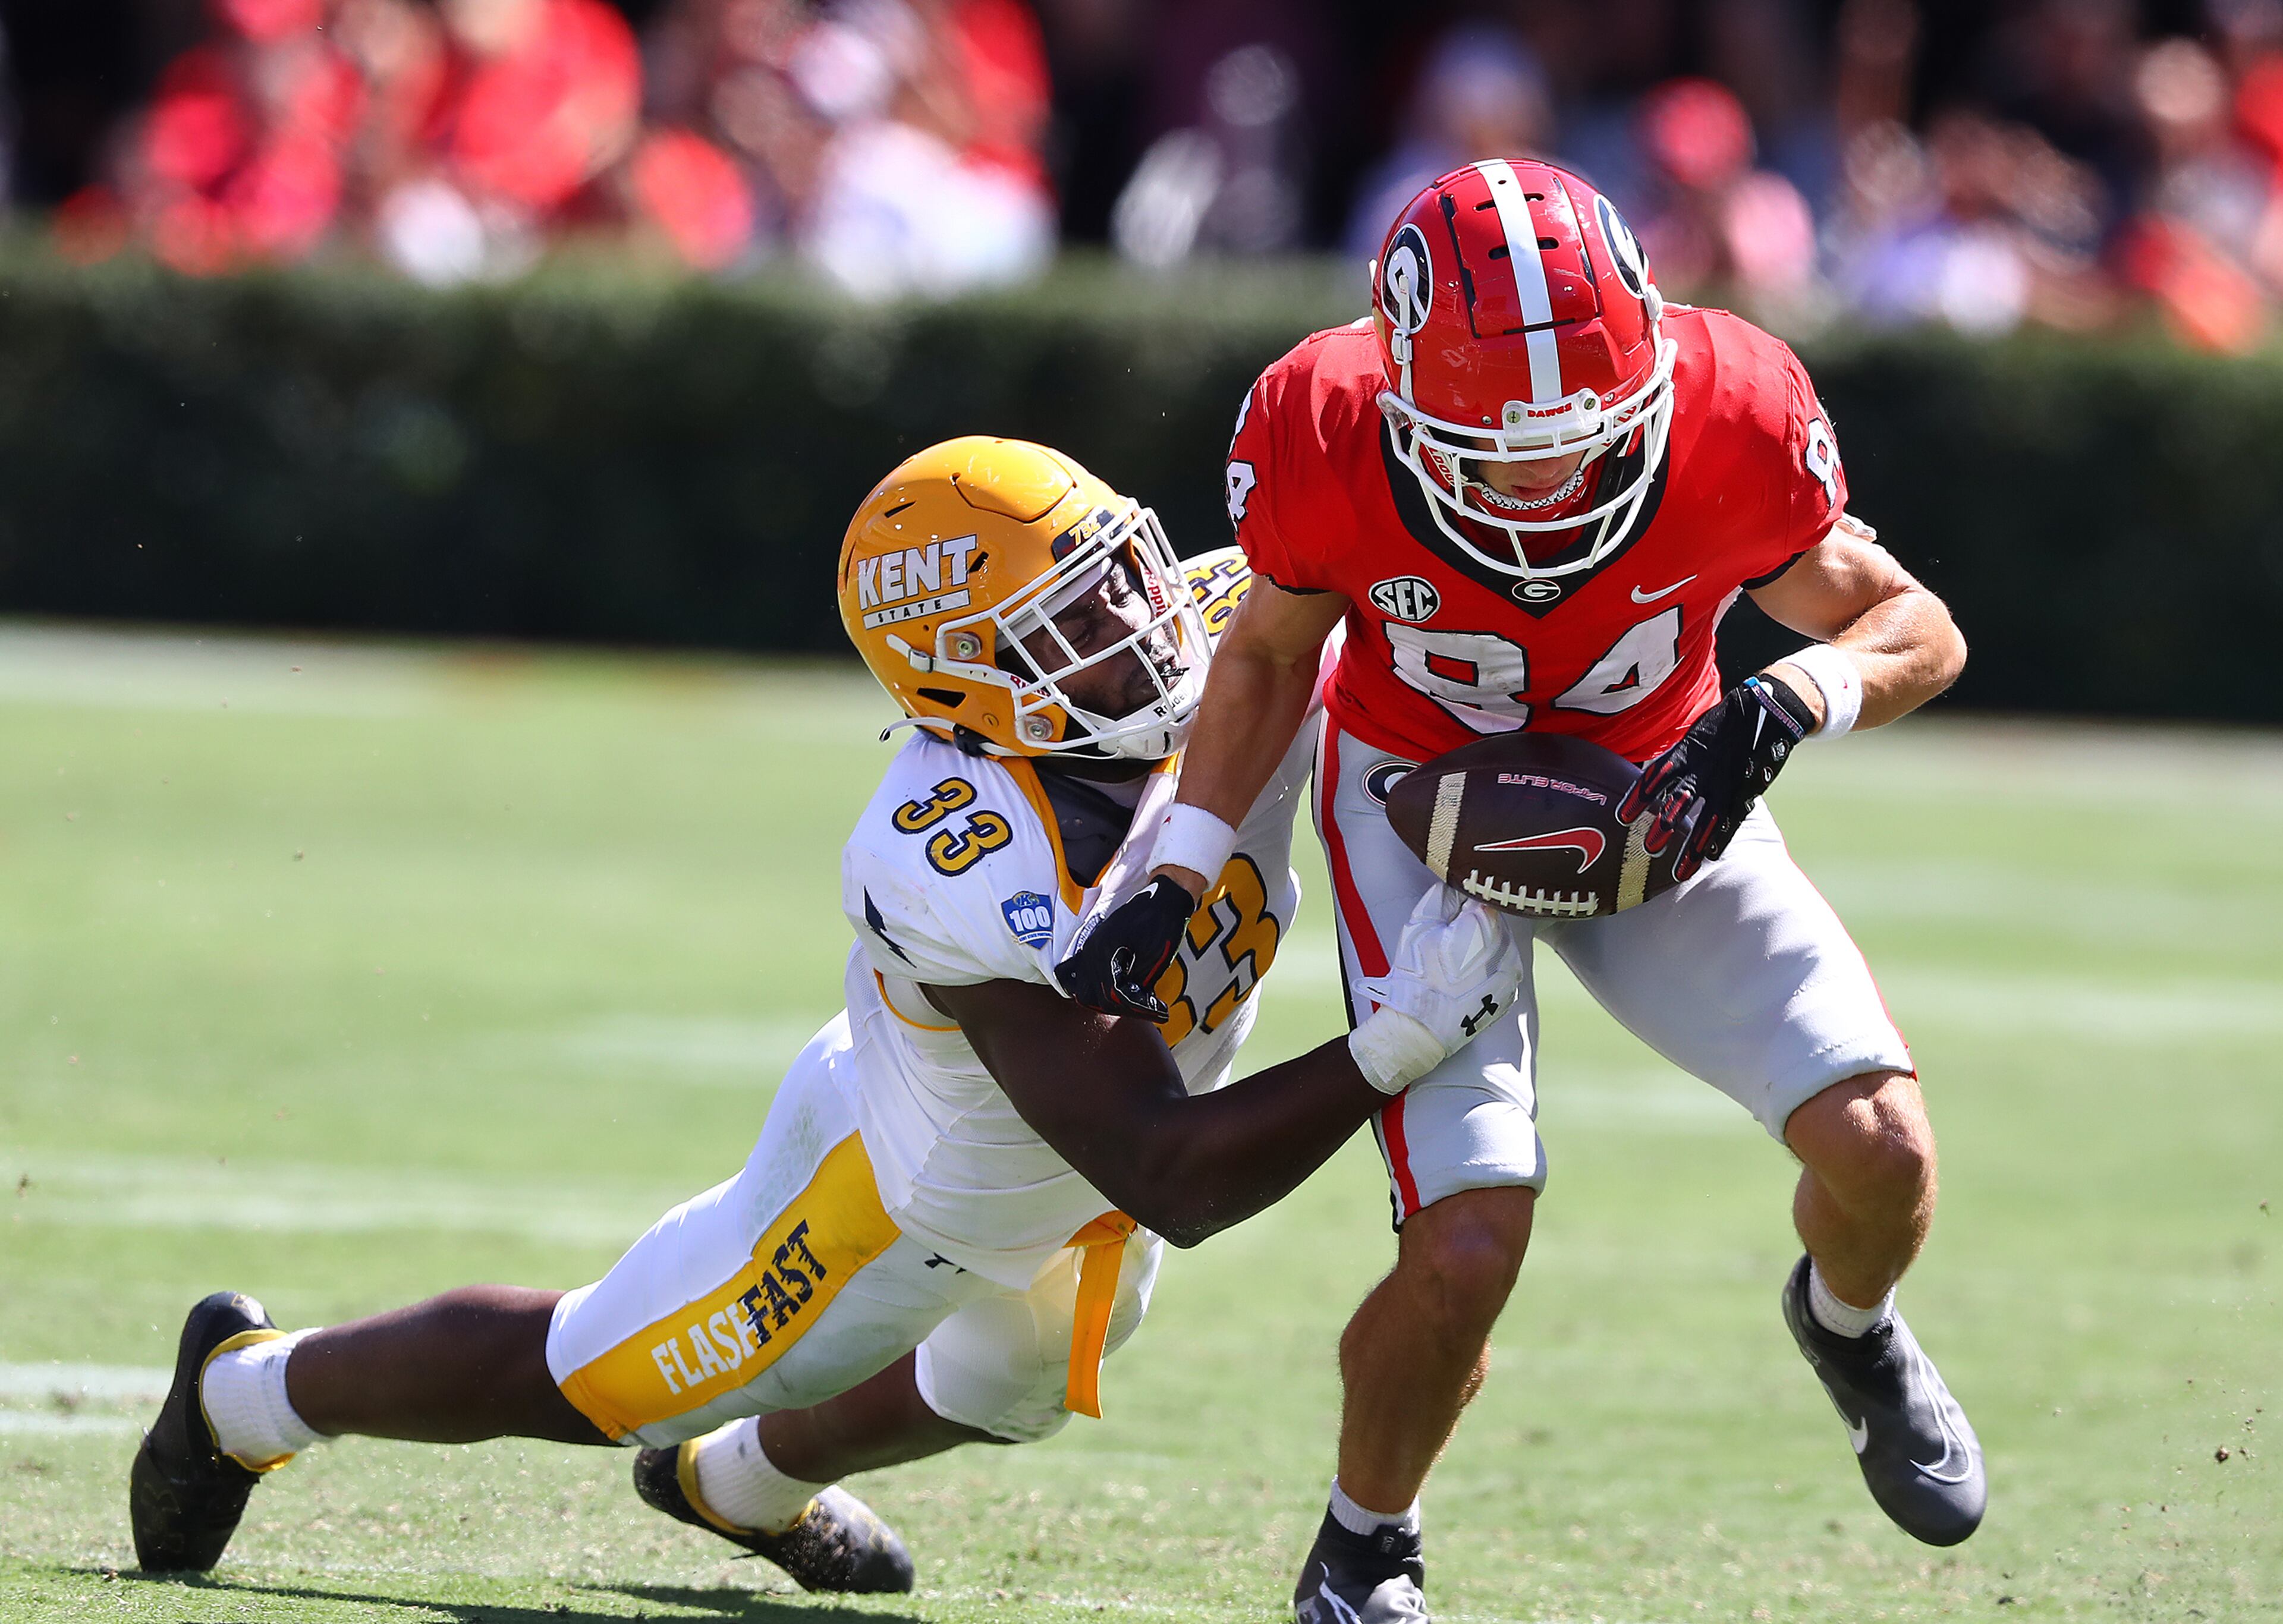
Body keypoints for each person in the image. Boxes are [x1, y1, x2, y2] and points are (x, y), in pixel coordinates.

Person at [128, 436, 1526, 1590]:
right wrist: (1394, 1044)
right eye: (1071, 625)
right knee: (588, 1374)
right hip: (909, 1188)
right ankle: (245, 1396)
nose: (1139, 627)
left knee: (1011, 1389)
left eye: (1124, 579)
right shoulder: (952, 848)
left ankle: (735, 1487)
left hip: (1097, 1148)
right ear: (963, 685)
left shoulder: (1228, 629)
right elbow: (1171, 1172)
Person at [1057, 160, 1982, 1623]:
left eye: (1584, 440)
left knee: (1884, 1154)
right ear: (1402, 394)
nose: (1546, 481)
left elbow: (1913, 625)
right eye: (1494, 451)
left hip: (1658, 797)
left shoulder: (1736, 403)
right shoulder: (1324, 417)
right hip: (1414, 811)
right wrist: (1182, 858)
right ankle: (1368, 1543)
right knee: (1470, 1242)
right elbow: (1266, 656)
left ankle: (1850, 1326)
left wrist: (1792, 698)